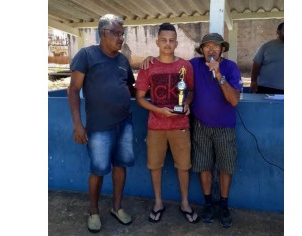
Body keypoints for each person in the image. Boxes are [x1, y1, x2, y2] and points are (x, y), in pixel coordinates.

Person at [140, 33, 242, 228]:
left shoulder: (230, 67)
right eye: (207, 47)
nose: (211, 50)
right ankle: (208, 205)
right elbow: (173, 63)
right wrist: (150, 58)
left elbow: (234, 100)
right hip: (201, 126)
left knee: (225, 168)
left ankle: (224, 205)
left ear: (222, 49)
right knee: (203, 167)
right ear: (201, 50)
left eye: (215, 46)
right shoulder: (193, 65)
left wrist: (219, 74)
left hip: (224, 128)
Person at [68, 14, 135, 233]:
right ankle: (94, 211)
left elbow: (133, 89)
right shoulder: (86, 55)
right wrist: (78, 125)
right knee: (97, 170)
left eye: (122, 34)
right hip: (99, 128)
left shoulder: (123, 61)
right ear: (102, 33)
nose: (121, 38)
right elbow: (73, 90)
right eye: (116, 33)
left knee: (120, 166)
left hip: (124, 123)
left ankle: (117, 208)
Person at [135, 23, 200, 224]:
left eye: (171, 40)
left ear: (176, 42)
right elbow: (140, 98)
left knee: (183, 166)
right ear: (157, 42)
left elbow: (191, 92)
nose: (167, 43)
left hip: (181, 125)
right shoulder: (148, 67)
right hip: (156, 126)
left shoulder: (185, 66)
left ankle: (185, 203)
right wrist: (159, 110)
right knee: (155, 166)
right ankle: (158, 202)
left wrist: (187, 103)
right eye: (164, 40)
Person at [250, 22, 284, 94]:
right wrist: (253, 81)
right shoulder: (266, 47)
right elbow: (256, 64)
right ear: (278, 32)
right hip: (265, 88)